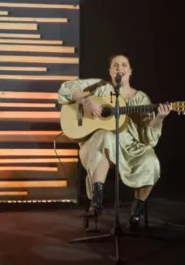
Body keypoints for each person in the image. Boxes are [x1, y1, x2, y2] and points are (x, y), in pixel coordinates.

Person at [57, 54, 172, 230]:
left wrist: (159, 119)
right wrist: (87, 101)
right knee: (106, 135)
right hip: (97, 146)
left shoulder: (141, 99)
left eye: (124, 64)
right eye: (115, 65)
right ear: (110, 71)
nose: (120, 68)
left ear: (130, 71)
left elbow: (149, 139)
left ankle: (136, 211)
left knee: (152, 161)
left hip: (131, 146)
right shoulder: (101, 87)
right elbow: (66, 88)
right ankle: (97, 201)